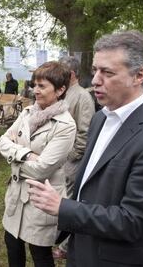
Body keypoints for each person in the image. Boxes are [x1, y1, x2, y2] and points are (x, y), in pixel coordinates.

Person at [26, 31, 143, 267]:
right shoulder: (100, 119)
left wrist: (62, 207)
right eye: (95, 70)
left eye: (107, 72)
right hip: (82, 249)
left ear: (139, 75)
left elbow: (134, 221)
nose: (96, 80)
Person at [0, 61, 76, 267]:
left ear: (60, 90)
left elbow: (42, 169)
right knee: (11, 244)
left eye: (42, 86)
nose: (35, 91)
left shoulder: (65, 125)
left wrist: (14, 158)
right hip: (16, 194)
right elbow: (2, 141)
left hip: (41, 198)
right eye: (35, 85)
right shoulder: (27, 113)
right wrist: (26, 154)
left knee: (39, 253)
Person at [52, 56, 95, 259]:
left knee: (71, 202)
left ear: (71, 74)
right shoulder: (64, 94)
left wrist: (70, 157)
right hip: (59, 160)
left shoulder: (83, 97)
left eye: (61, 72)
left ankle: (68, 246)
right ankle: (59, 238)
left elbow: (85, 133)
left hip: (72, 162)